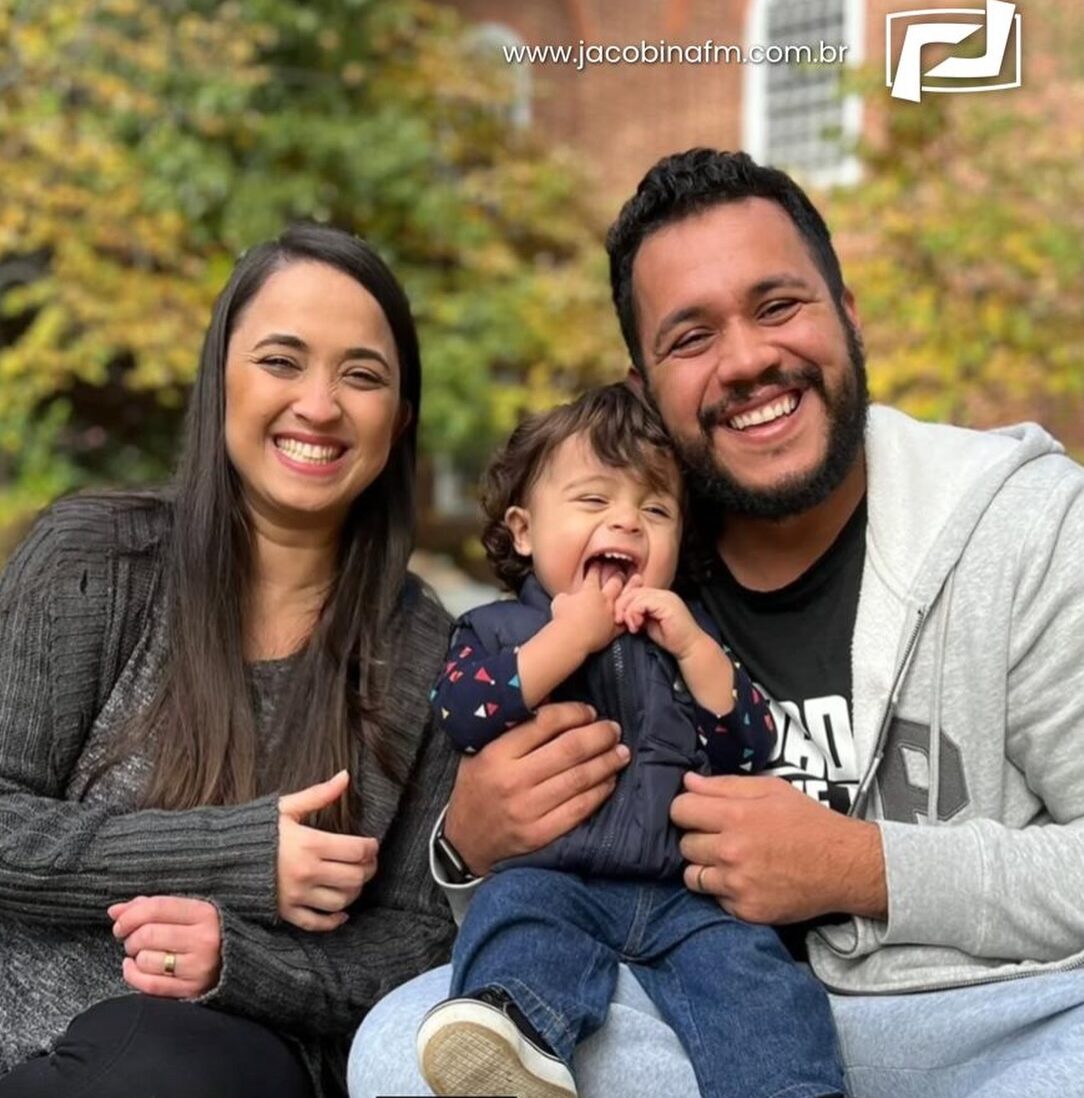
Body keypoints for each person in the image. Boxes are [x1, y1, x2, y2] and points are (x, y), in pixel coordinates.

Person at [349, 149, 1084, 1098]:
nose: (745, 361)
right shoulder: (640, 559)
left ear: (848, 313)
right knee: (399, 1052)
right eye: (691, 337)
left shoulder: (1028, 527)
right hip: (686, 1008)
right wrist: (469, 844)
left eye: (778, 306)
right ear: (646, 384)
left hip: (992, 1015)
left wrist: (863, 867)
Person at [0, 223, 458, 1098]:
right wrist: (237, 856)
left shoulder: (427, 652)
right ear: (219, 379)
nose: (319, 403)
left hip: (218, 1050)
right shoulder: (97, 557)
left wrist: (244, 962)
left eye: (363, 376)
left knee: (151, 1057)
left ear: (400, 418)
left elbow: (416, 946)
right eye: (281, 361)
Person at [416, 383, 844, 1098]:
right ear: (524, 530)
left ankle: (790, 1086)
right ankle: (515, 1044)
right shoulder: (497, 629)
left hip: (684, 889)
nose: (625, 521)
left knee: (758, 976)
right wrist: (567, 638)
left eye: (655, 510)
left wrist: (695, 650)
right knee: (514, 924)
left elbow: (750, 743)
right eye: (593, 500)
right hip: (554, 875)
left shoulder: (687, 635)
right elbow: (463, 712)